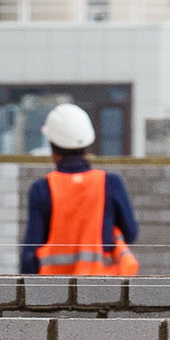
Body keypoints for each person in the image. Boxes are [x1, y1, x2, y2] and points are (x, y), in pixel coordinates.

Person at [19, 103, 140, 275]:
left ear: (52, 148)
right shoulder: (111, 184)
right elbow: (131, 233)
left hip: (53, 293)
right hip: (102, 291)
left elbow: (30, 255)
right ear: (87, 145)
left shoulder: (42, 189)